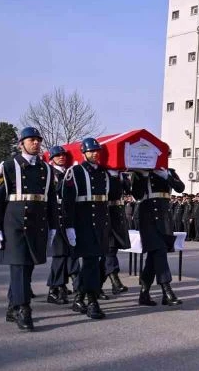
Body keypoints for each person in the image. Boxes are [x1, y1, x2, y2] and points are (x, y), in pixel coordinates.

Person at [0, 127, 59, 331]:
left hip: (37, 225)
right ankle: (23, 309)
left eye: (38, 140)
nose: (35, 143)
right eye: (31, 140)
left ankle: (12, 306)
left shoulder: (46, 169)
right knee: (19, 266)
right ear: (21, 144)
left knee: (27, 266)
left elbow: (51, 201)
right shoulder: (8, 166)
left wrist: (53, 226)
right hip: (14, 224)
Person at [62, 137, 123, 320]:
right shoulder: (75, 172)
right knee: (90, 264)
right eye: (91, 151)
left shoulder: (104, 173)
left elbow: (114, 196)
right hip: (84, 225)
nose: (95, 154)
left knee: (98, 264)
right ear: (84, 153)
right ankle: (92, 302)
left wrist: (116, 177)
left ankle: (79, 297)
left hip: (102, 225)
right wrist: (69, 227)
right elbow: (67, 202)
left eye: (97, 151)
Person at [130, 167, 185, 307]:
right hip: (147, 217)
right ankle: (167, 291)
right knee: (159, 251)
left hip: (164, 217)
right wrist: (142, 176)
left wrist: (167, 176)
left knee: (153, 257)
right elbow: (137, 195)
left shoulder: (169, 171)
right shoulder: (139, 173)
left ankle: (144, 293)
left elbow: (180, 188)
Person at [46, 145, 80, 305]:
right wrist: (66, 175)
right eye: (58, 155)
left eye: (63, 155)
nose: (61, 157)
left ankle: (65, 285)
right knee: (59, 255)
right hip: (56, 217)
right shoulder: (49, 173)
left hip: (70, 217)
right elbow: (54, 192)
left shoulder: (69, 173)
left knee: (70, 253)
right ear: (52, 158)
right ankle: (55, 289)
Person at [101, 170, 131, 297]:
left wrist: (123, 177)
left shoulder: (121, 175)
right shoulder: (103, 173)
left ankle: (91, 287)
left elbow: (129, 190)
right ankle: (115, 280)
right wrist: (113, 176)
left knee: (107, 253)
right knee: (110, 250)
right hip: (104, 213)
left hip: (117, 215)